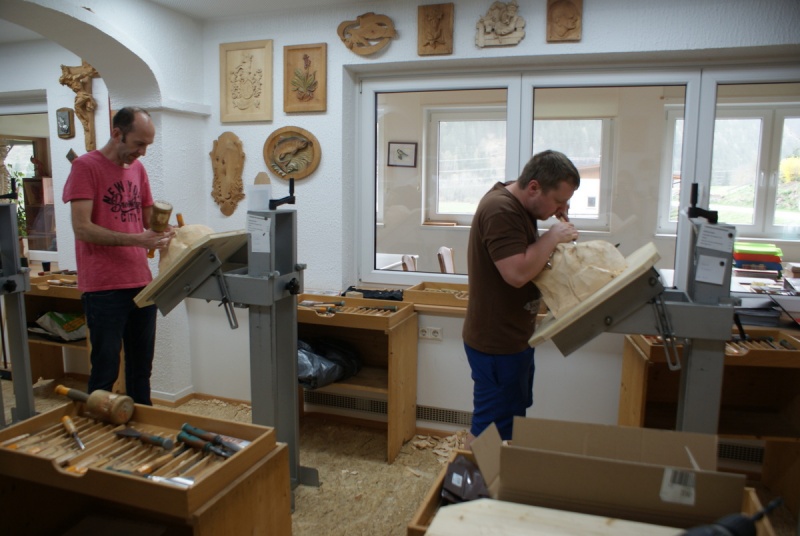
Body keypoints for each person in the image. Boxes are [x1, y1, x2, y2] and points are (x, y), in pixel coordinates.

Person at [462, 150, 580, 447]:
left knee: (509, 422)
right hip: (496, 343)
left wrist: (554, 231)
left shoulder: (523, 205)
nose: (562, 209)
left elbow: (531, 259)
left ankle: (497, 474)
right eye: (559, 201)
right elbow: (516, 273)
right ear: (534, 187)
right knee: (489, 431)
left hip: (515, 339)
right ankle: (470, 477)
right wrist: (552, 236)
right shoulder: (500, 209)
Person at [62, 107, 173, 405]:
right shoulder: (85, 167)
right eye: (139, 144)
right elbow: (82, 228)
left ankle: (142, 425)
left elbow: (148, 221)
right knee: (105, 371)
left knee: (141, 370)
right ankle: (100, 427)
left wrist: (167, 233)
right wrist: (136, 239)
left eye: (147, 145)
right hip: (104, 287)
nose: (143, 152)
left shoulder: (138, 170)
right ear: (116, 134)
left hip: (141, 283)